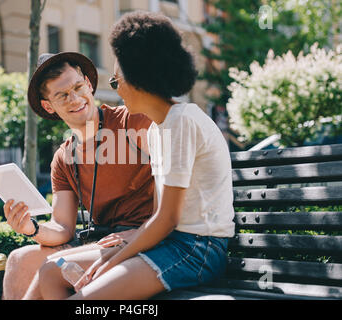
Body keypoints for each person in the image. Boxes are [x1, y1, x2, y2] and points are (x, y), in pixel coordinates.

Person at [28, 11, 235, 300]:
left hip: (197, 249)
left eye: (117, 82)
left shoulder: (182, 121)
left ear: (140, 77)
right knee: (51, 271)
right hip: (167, 243)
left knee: (83, 301)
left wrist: (113, 259)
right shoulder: (156, 131)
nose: (116, 92)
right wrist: (115, 253)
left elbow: (166, 219)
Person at [2, 51, 155, 299]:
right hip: (101, 242)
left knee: (51, 267)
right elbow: (63, 227)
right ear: (48, 106)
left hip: (145, 239)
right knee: (20, 259)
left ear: (89, 83)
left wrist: (141, 233)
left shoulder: (132, 121)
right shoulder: (63, 158)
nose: (75, 99)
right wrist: (31, 228)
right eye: (62, 95)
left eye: (78, 87)